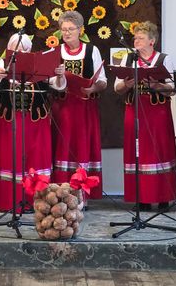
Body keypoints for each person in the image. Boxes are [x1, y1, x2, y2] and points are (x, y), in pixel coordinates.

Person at [0, 33, 66, 212]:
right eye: (16, 48)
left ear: (29, 50)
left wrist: (60, 75)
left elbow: (59, 85)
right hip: (11, 121)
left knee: (35, 158)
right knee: (11, 158)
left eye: (24, 48)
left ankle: (36, 200)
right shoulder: (3, 63)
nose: (20, 51)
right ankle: (11, 201)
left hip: (36, 122)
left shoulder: (39, 65)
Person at [114, 21, 176, 212]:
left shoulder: (163, 59)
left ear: (152, 41)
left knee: (160, 151)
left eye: (140, 38)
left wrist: (157, 85)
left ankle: (163, 197)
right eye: (135, 38)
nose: (136, 41)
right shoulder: (128, 58)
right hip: (134, 111)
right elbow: (117, 88)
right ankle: (142, 198)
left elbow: (172, 89)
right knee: (137, 153)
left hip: (157, 112)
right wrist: (126, 84)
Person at [51, 11, 106, 207]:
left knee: (82, 147)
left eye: (70, 29)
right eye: (63, 29)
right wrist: (59, 77)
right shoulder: (56, 52)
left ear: (80, 30)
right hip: (63, 108)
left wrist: (93, 88)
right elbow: (51, 83)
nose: (66, 33)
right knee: (63, 148)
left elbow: (102, 81)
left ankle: (82, 195)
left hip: (84, 108)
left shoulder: (91, 50)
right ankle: (61, 194)